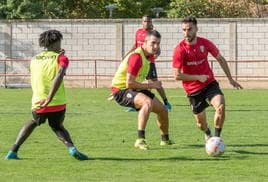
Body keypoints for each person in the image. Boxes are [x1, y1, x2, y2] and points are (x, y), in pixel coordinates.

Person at [5, 30, 88, 160]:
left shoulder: (34, 59)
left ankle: (13, 151)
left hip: (38, 101)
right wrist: (49, 98)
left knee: (33, 122)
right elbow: (60, 74)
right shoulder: (61, 58)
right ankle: (71, 148)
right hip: (57, 101)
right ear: (56, 42)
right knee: (57, 126)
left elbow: (41, 74)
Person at [172, 17, 243, 143]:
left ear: (196, 29)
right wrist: (197, 77)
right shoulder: (180, 49)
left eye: (189, 29)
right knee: (200, 123)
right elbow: (176, 75)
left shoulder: (205, 43)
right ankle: (207, 132)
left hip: (210, 84)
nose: (186, 33)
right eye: (184, 30)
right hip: (193, 90)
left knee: (220, 106)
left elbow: (220, 59)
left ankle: (216, 138)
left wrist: (230, 79)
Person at [111, 30, 173, 150]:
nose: (156, 46)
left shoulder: (148, 57)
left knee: (163, 111)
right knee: (147, 102)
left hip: (133, 88)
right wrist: (151, 86)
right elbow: (129, 83)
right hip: (122, 90)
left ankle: (165, 140)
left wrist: (151, 84)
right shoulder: (136, 57)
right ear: (145, 42)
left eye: (158, 43)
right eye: (153, 43)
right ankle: (140, 140)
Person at [124, 15, 171, 112]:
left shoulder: (152, 34)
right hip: (138, 62)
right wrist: (128, 54)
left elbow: (157, 48)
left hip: (149, 62)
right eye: (145, 21)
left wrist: (157, 53)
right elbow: (136, 45)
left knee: (154, 83)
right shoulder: (138, 32)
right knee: (134, 81)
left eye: (149, 21)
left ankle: (166, 102)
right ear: (142, 22)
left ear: (151, 22)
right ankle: (135, 105)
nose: (147, 23)